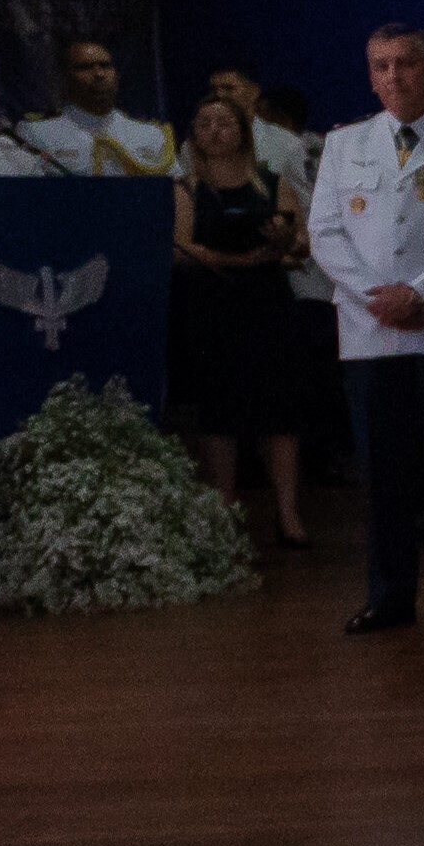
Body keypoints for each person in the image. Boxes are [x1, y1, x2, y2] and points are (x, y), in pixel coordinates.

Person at [307, 25, 424, 634]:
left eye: (405, 64)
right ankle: (389, 596)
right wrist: (374, 295)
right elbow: (325, 232)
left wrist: (420, 293)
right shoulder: (346, 144)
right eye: (379, 66)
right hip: (370, 329)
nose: (393, 77)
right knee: (383, 472)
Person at [167, 100, 311, 546]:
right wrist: (239, 258)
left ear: (244, 132)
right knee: (220, 413)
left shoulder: (272, 183)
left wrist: (284, 240)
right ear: (193, 134)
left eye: (224, 122)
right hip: (214, 308)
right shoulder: (186, 188)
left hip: (267, 305)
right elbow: (179, 249)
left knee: (280, 412)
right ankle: (224, 510)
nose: (214, 131)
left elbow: (301, 242)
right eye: (204, 123)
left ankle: (288, 514)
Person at [17, 40, 173, 176]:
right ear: (65, 79)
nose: (99, 74)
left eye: (105, 66)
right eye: (85, 67)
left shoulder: (151, 135)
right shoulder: (37, 133)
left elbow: (177, 190)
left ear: (117, 75)